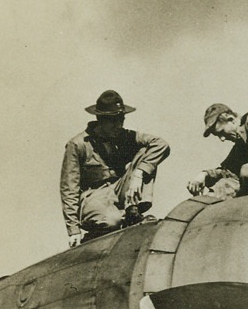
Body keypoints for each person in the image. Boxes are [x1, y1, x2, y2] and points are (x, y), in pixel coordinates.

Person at [60, 90, 169, 247]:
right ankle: (103, 228)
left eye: (121, 120)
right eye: (113, 121)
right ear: (100, 120)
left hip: (120, 188)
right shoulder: (78, 145)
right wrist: (73, 230)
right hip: (94, 196)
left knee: (146, 152)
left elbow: (161, 144)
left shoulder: (124, 136)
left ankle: (133, 212)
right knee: (112, 221)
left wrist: (139, 174)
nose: (119, 125)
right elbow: (69, 189)